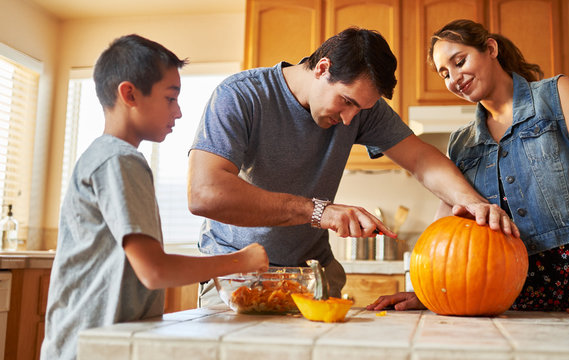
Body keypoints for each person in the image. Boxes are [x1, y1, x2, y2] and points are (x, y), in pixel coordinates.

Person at [188, 27, 519, 306]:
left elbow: (421, 159)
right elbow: (205, 194)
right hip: (234, 278)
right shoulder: (241, 96)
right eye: (346, 102)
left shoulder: (360, 110)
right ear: (322, 68)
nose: (349, 120)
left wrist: (473, 202)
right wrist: (320, 212)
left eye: (360, 109)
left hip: (312, 281)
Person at [367, 19, 569, 319]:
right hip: (515, 299)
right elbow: (446, 227)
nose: (453, 78)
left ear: (490, 48)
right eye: (444, 73)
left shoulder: (557, 96)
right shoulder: (462, 143)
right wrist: (429, 290)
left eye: (459, 61)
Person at [41, 35, 269, 360]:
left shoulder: (107, 157)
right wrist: (240, 261)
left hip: (97, 344)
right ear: (129, 93)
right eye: (170, 98)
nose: (178, 112)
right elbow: (154, 271)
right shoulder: (118, 160)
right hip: (91, 348)